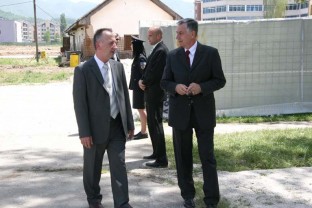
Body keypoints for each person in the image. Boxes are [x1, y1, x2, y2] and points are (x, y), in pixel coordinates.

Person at [160, 18, 226, 208]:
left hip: (203, 114)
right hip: (180, 114)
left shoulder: (210, 54)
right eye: (177, 33)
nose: (177, 37)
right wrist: (175, 87)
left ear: (192, 34)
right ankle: (187, 195)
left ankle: (211, 199)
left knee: (208, 157)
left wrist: (202, 87)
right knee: (183, 157)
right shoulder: (172, 56)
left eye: (181, 33)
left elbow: (220, 80)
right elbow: (164, 82)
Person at [73, 28, 134, 208]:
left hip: (116, 127)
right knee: (92, 169)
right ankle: (94, 201)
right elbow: (80, 105)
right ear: (99, 45)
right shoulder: (83, 70)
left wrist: (129, 123)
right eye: (112, 43)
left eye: (116, 42)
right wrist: (84, 132)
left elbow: (124, 97)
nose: (115, 46)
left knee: (119, 167)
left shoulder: (118, 67)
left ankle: (122, 204)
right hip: (94, 130)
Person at [139, 27, 168, 168]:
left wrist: (143, 82)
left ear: (158, 36)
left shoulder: (161, 51)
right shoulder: (156, 49)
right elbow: (148, 69)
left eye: (151, 35)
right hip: (151, 93)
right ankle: (156, 152)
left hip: (156, 94)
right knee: (152, 123)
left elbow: (154, 73)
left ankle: (162, 158)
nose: (148, 38)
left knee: (156, 124)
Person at [129, 35, 148, 140]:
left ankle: (144, 131)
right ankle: (143, 130)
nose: (131, 46)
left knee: (141, 109)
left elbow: (144, 73)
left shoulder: (141, 58)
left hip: (140, 88)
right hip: (137, 88)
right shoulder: (138, 57)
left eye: (132, 44)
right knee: (140, 109)